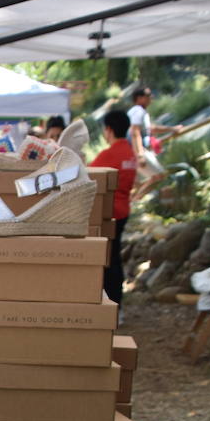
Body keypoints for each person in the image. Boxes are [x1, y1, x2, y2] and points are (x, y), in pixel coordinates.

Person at [90, 110, 137, 305]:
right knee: (115, 257)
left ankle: (111, 303)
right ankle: (117, 303)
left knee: (107, 261)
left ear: (108, 130)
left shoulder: (109, 155)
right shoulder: (130, 153)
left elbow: (88, 175)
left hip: (109, 214)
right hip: (124, 210)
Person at [128, 86, 182, 200]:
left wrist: (172, 129)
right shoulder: (138, 111)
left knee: (150, 179)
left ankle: (133, 201)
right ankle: (133, 202)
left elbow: (150, 129)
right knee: (158, 176)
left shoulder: (141, 112)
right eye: (148, 95)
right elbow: (135, 132)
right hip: (136, 151)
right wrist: (140, 154)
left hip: (135, 150)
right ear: (139, 98)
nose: (151, 98)